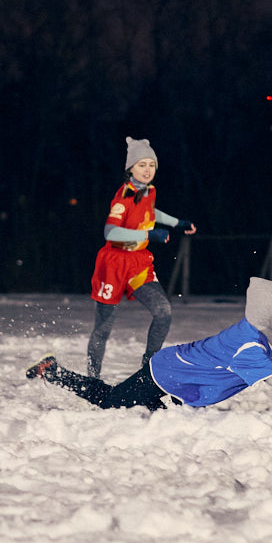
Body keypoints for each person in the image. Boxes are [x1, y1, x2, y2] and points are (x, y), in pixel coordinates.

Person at [27, 277, 272, 410]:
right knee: (110, 402)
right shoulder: (249, 347)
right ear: (265, 311)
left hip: (183, 380)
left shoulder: (266, 335)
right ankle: (52, 371)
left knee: (152, 417)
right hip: (167, 373)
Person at [85, 136, 197, 378]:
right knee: (103, 328)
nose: (148, 170)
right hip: (114, 264)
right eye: (142, 165)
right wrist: (148, 235)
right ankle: (93, 378)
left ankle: (148, 369)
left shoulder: (148, 191)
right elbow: (110, 232)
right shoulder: (124, 196)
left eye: (152, 165)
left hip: (138, 263)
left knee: (163, 311)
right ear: (130, 169)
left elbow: (150, 211)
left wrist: (177, 223)